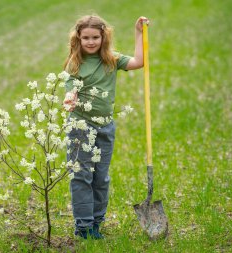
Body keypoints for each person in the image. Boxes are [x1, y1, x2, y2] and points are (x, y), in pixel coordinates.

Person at [63, 15, 149, 239]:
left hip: (105, 127)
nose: (90, 42)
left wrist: (139, 32)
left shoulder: (111, 59)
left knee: (101, 178)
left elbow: (139, 62)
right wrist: (70, 97)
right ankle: (83, 226)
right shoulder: (75, 62)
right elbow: (70, 87)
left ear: (103, 37)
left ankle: (96, 223)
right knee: (82, 176)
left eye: (95, 37)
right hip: (80, 126)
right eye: (85, 38)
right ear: (78, 39)